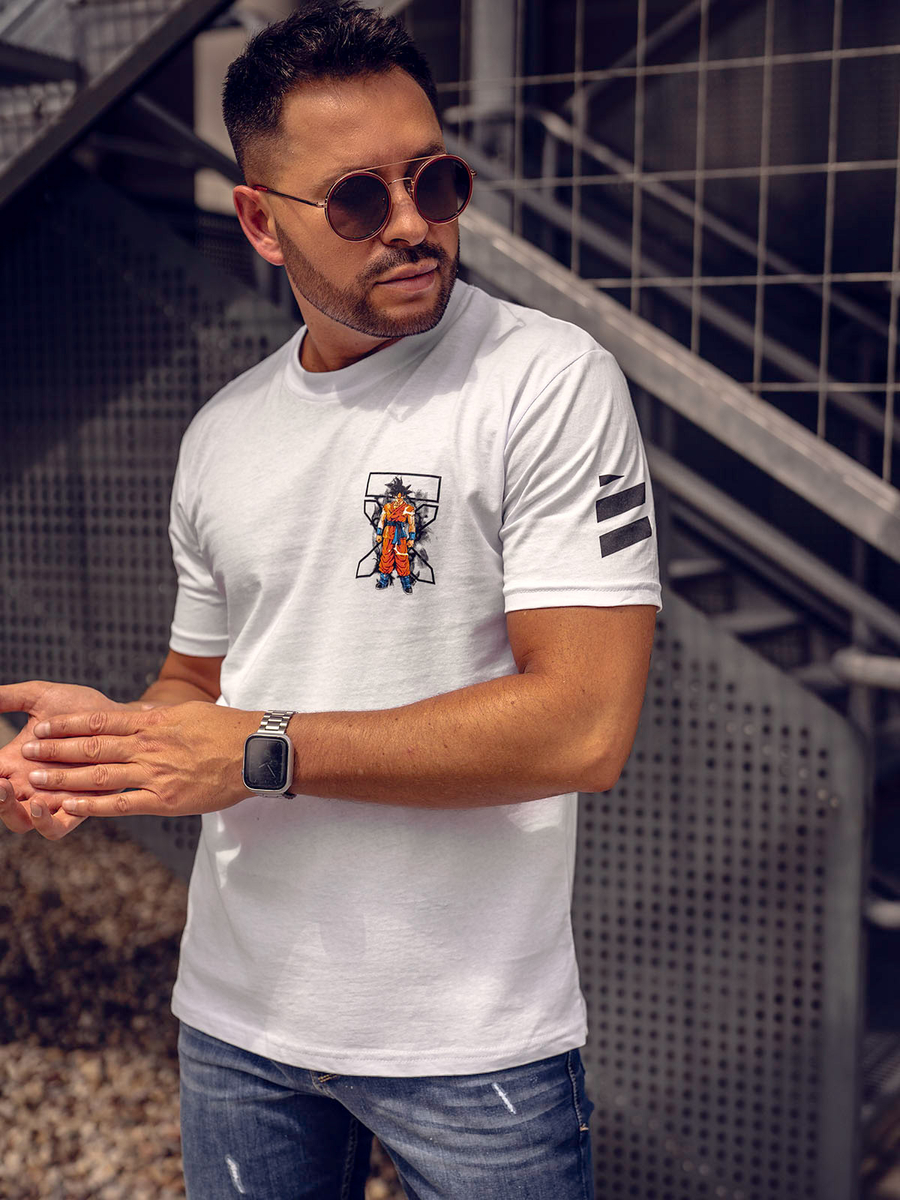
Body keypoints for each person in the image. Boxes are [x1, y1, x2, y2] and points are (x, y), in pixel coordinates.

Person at [0, 2, 661, 1196]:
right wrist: (105, 756)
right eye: (358, 199)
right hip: (237, 1021)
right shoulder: (223, 433)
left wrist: (258, 752)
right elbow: (199, 686)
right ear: (261, 221)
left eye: (435, 181)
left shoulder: (547, 383)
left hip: (473, 1045)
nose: (412, 224)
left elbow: (584, 725)